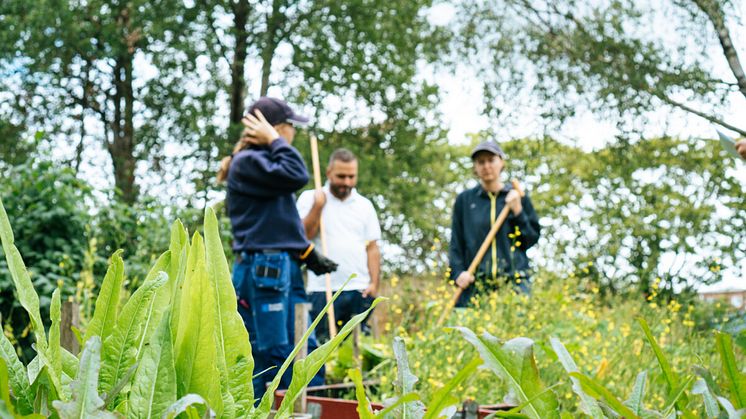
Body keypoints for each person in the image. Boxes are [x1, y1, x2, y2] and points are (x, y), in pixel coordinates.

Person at [217, 96, 338, 401]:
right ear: (275, 128)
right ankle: (261, 409)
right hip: (264, 272)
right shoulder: (249, 163)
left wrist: (305, 251)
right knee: (272, 354)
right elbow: (297, 174)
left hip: (281, 267)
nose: (293, 134)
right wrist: (274, 140)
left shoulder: (260, 165)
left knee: (305, 349)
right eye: (289, 127)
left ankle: (306, 407)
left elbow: (275, 223)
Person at [296, 148, 381, 343]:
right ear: (328, 173)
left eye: (352, 176)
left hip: (359, 289)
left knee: (357, 352)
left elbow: (372, 248)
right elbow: (303, 238)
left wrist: (374, 284)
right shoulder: (310, 198)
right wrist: (318, 206)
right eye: (341, 176)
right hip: (322, 289)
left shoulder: (364, 205)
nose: (347, 182)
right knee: (321, 349)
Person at [448, 140, 541, 307]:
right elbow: (456, 243)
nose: (486, 166)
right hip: (475, 284)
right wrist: (457, 273)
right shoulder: (465, 201)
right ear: (475, 167)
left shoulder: (517, 197)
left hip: (514, 283)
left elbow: (531, 239)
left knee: (516, 331)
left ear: (501, 162)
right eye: (480, 162)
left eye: (491, 160)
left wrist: (518, 211)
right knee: (465, 330)